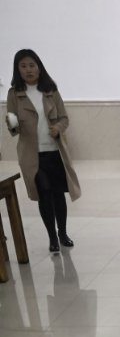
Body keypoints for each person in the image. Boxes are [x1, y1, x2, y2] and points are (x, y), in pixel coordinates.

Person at [5, 49, 80, 254]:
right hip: (32, 156)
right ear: (18, 69)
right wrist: (11, 124)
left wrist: (58, 128)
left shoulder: (50, 90)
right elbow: (13, 128)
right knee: (44, 193)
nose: (28, 70)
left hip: (55, 152)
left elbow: (64, 118)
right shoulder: (14, 94)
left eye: (32, 65)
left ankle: (63, 233)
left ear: (39, 67)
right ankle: (52, 237)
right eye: (23, 66)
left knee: (58, 194)